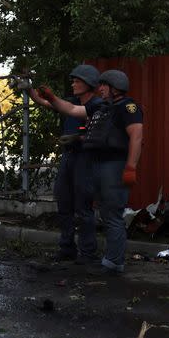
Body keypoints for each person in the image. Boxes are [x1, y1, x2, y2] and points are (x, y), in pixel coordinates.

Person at [38, 70, 143, 274]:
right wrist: (51, 98)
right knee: (106, 212)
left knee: (112, 214)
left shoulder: (128, 107)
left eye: (104, 85)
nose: (100, 88)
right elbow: (70, 109)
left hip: (114, 164)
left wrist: (131, 166)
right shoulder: (104, 108)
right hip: (99, 164)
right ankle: (110, 260)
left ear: (115, 88)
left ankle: (113, 263)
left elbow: (136, 136)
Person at [29, 64, 102, 263]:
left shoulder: (97, 104)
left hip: (85, 158)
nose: (73, 83)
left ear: (89, 84)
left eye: (77, 80)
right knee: (64, 203)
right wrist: (28, 88)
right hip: (69, 157)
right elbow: (43, 102)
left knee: (83, 207)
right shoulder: (72, 101)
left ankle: (88, 253)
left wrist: (78, 139)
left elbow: (72, 110)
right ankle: (67, 248)